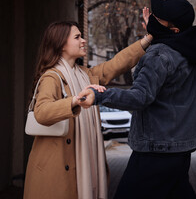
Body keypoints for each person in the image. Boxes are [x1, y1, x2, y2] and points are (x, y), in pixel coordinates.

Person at [78, 0, 196, 199]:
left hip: (155, 149)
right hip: (183, 148)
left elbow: (139, 97)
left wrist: (100, 95)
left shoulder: (159, 56)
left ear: (174, 30)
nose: (152, 18)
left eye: (159, 18)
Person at [23, 11, 152, 199]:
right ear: (61, 44)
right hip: (55, 171)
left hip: (78, 165)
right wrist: (74, 101)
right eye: (77, 37)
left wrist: (149, 38)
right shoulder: (52, 77)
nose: (83, 40)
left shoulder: (85, 74)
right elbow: (41, 112)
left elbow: (117, 63)